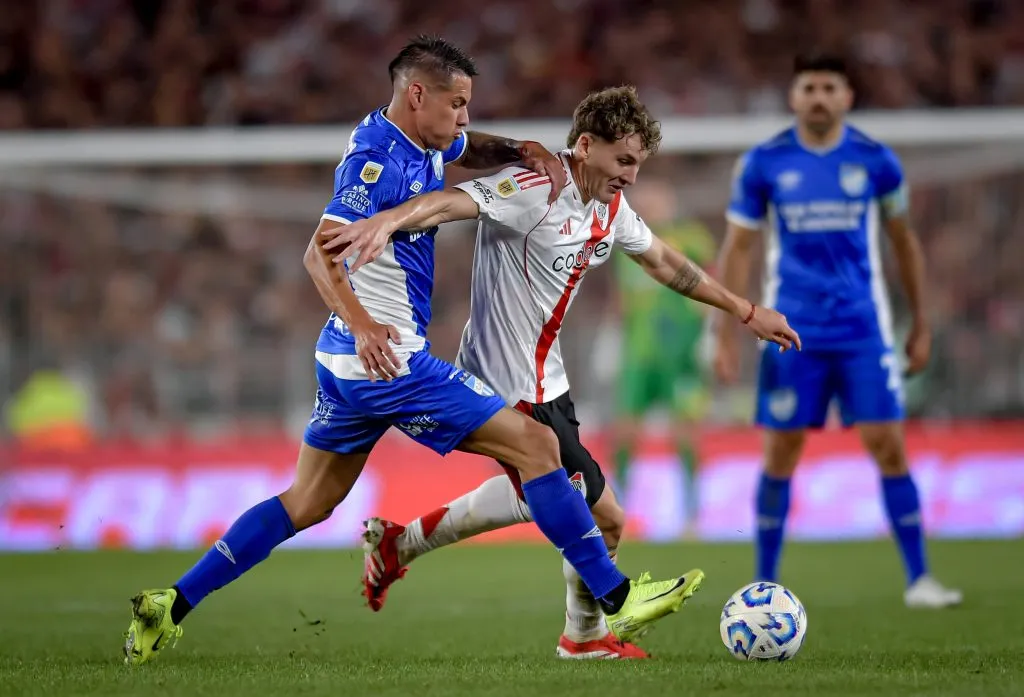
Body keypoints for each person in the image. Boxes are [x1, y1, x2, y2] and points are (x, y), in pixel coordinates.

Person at [122, 37, 704, 667]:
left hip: (342, 360)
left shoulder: (419, 139)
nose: (463, 118)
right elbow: (319, 252)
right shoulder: (376, 162)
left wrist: (517, 149)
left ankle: (170, 604)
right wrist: (368, 324)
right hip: (387, 356)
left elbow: (470, 148)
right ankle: (615, 599)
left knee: (308, 501)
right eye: (457, 104)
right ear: (416, 94)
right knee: (537, 448)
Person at [322, 85, 800, 659]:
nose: (630, 175)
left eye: (638, 165)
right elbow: (449, 203)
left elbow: (664, 261)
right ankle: (585, 637)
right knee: (606, 518)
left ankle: (405, 547)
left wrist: (744, 311)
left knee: (542, 496)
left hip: (551, 380)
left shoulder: (609, 208)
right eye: (623, 160)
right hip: (507, 380)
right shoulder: (532, 187)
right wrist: (390, 219)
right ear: (584, 145)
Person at [712, 52, 962, 608]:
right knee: (780, 453)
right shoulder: (764, 163)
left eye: (830, 87)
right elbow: (739, 248)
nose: (819, 97)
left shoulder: (875, 161)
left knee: (889, 447)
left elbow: (904, 243)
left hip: (861, 330)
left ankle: (920, 579)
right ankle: (764, 584)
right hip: (790, 331)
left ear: (848, 96)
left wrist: (920, 324)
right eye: (810, 87)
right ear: (794, 96)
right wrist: (726, 332)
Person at [611, 190, 717, 536]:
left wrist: (709, 334)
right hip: (638, 355)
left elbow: (711, 281)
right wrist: (612, 337)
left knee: (685, 430)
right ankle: (618, 512)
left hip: (679, 354)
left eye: (658, 200)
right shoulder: (626, 243)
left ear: (671, 203)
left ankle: (692, 516)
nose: (650, 204)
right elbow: (623, 299)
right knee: (625, 430)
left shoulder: (692, 238)